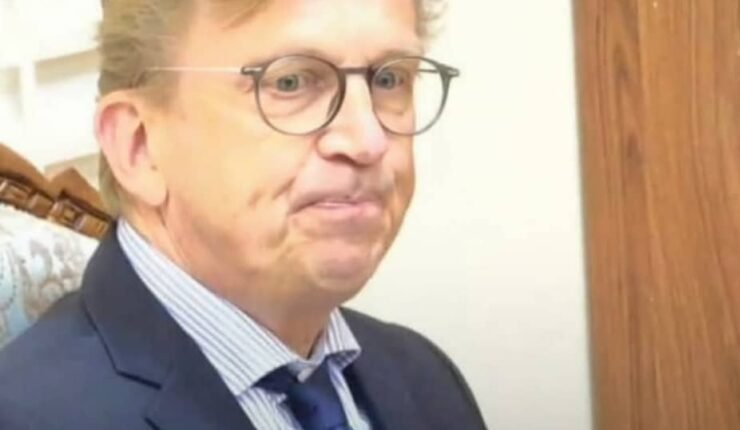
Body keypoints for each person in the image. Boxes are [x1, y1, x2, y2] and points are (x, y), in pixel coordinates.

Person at [0, 0, 487, 428]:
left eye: (389, 79)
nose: (368, 141)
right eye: (291, 82)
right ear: (140, 146)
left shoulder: (426, 379)